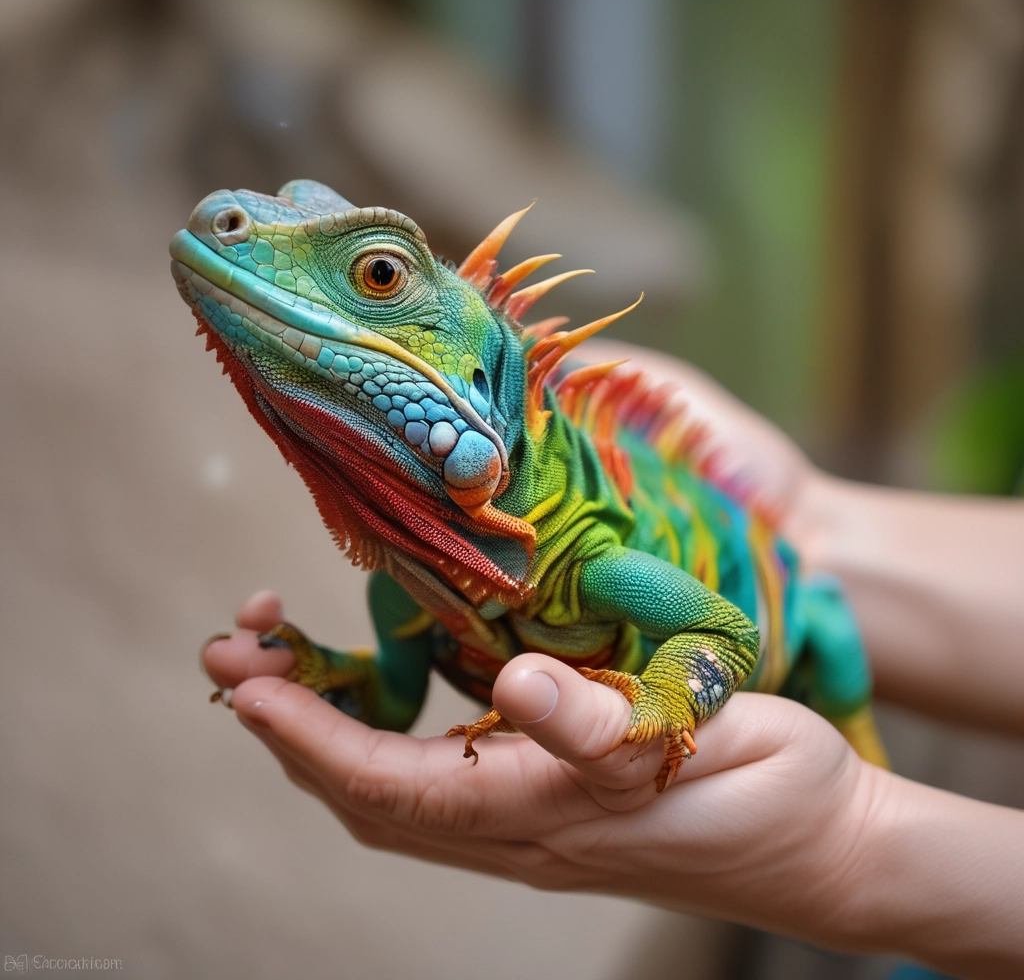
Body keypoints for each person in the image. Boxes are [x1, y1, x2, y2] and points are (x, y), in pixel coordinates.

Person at [202, 342, 1024, 980]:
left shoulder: (592, 565)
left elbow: (728, 633)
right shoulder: (406, 594)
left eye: (380, 279)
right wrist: (351, 682)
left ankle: (860, 732)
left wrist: (860, 831)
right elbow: (394, 702)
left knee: (828, 617)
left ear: (479, 375)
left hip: (789, 629)